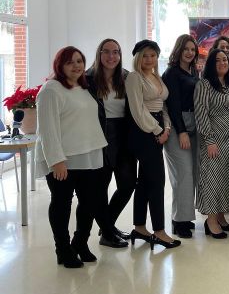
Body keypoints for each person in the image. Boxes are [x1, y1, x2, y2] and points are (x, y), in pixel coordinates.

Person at [35, 46, 127, 268]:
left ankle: (80, 243)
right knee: (62, 203)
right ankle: (63, 250)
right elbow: (47, 129)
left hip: (89, 154)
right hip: (63, 158)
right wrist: (56, 160)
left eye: (79, 61)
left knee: (89, 202)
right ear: (60, 65)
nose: (76, 66)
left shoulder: (84, 86)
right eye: (70, 62)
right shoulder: (51, 90)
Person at [125, 40, 180, 249]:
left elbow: (162, 106)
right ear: (138, 57)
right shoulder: (134, 77)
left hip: (157, 127)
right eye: (145, 55)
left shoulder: (156, 76)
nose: (149, 59)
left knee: (145, 182)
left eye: (153, 55)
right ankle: (159, 231)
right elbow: (137, 110)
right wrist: (157, 130)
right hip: (143, 131)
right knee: (157, 182)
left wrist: (166, 127)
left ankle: (139, 227)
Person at [85, 38, 136, 241]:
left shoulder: (126, 77)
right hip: (99, 135)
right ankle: (107, 232)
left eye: (116, 52)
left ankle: (108, 226)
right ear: (99, 54)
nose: (111, 56)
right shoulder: (87, 78)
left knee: (128, 184)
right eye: (106, 51)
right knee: (100, 188)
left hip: (124, 135)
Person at [194, 49, 229, 239]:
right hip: (214, 138)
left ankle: (221, 215)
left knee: (228, 178)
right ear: (211, 63)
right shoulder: (204, 85)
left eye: (225, 59)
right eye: (217, 60)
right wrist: (209, 140)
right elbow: (201, 113)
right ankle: (211, 220)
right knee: (212, 178)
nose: (222, 63)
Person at [161, 34, 199, 238]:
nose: (189, 53)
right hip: (178, 126)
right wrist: (182, 131)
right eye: (186, 49)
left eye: (192, 49)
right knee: (182, 174)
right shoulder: (171, 73)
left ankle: (184, 216)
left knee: (191, 173)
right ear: (178, 50)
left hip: (194, 124)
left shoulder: (193, 72)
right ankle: (179, 221)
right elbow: (173, 105)